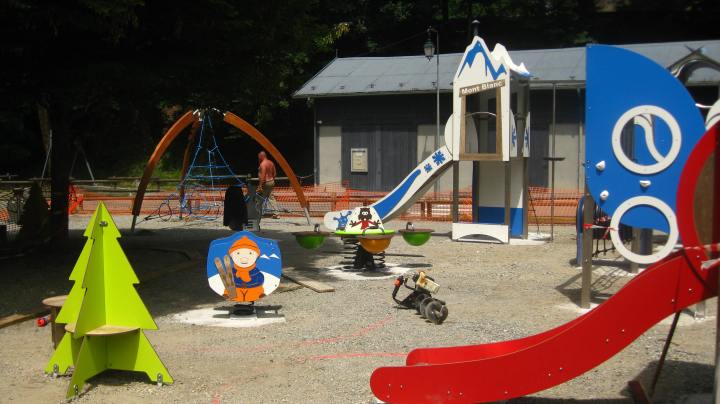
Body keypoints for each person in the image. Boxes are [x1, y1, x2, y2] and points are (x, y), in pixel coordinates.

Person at [257, 151, 279, 218]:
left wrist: (260, 186)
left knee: (259, 197)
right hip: (271, 181)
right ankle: (276, 213)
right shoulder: (271, 162)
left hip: (265, 183)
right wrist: (271, 180)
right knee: (271, 198)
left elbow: (263, 176)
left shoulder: (263, 164)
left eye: (259, 157)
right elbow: (275, 174)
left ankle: (257, 212)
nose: (258, 158)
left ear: (261, 156)